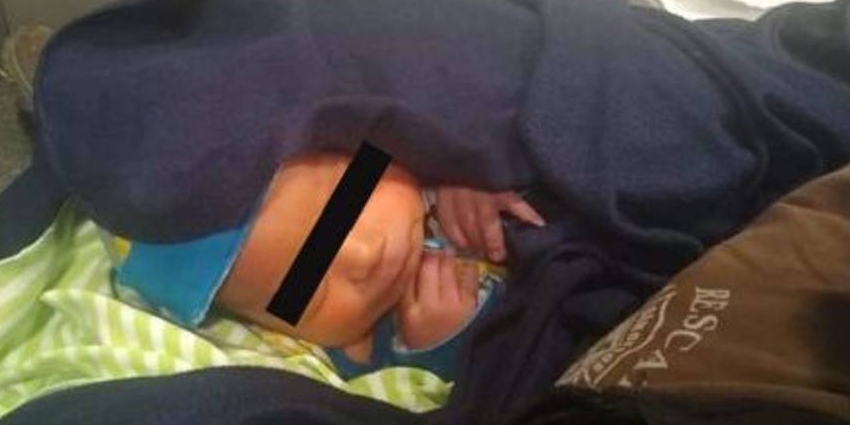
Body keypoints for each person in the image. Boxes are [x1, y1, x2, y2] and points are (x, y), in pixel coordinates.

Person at [104, 151, 546, 381]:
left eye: (347, 202)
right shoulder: (370, 348)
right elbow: (443, 398)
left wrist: (473, 168)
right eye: (309, 288)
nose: (364, 254)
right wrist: (437, 346)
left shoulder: (420, 155)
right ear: (271, 329)